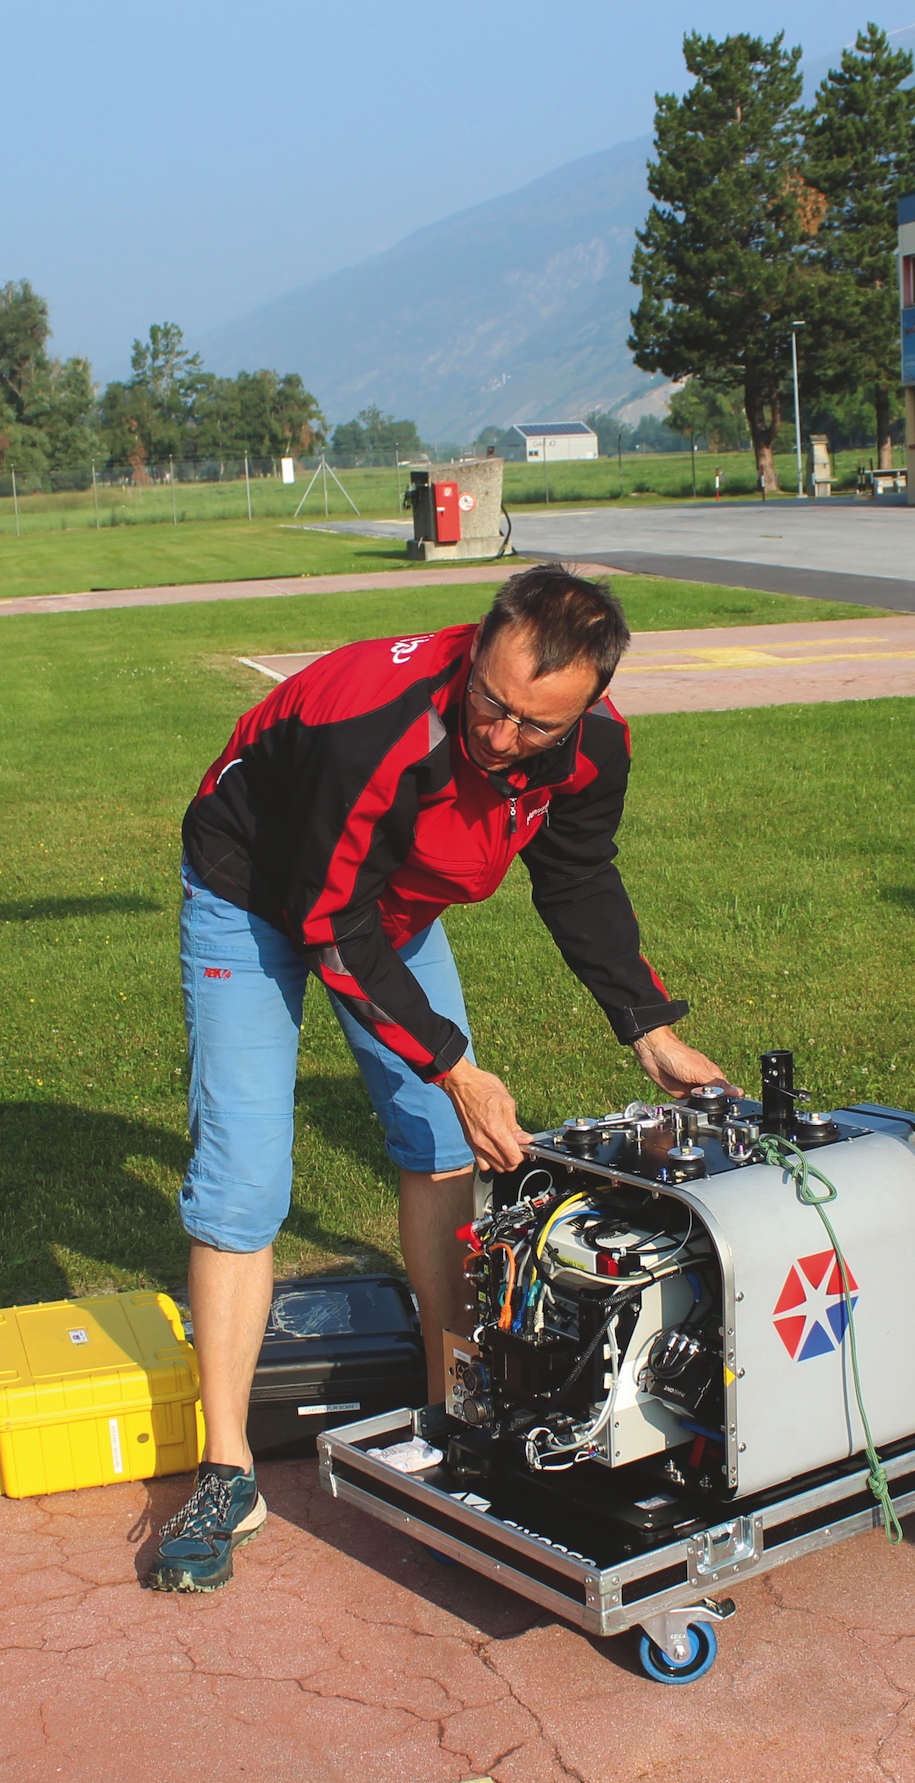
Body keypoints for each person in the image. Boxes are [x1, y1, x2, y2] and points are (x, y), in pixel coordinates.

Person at [151, 562, 731, 1594]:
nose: (502, 739)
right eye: (490, 707)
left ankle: (451, 1405)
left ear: (590, 705)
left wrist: (647, 1025)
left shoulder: (593, 747)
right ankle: (227, 1470)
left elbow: (579, 874)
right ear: (473, 653)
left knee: (438, 1145)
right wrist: (457, 1065)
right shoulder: (365, 726)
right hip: (253, 893)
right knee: (245, 1180)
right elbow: (328, 924)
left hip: (393, 906)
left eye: (536, 727)